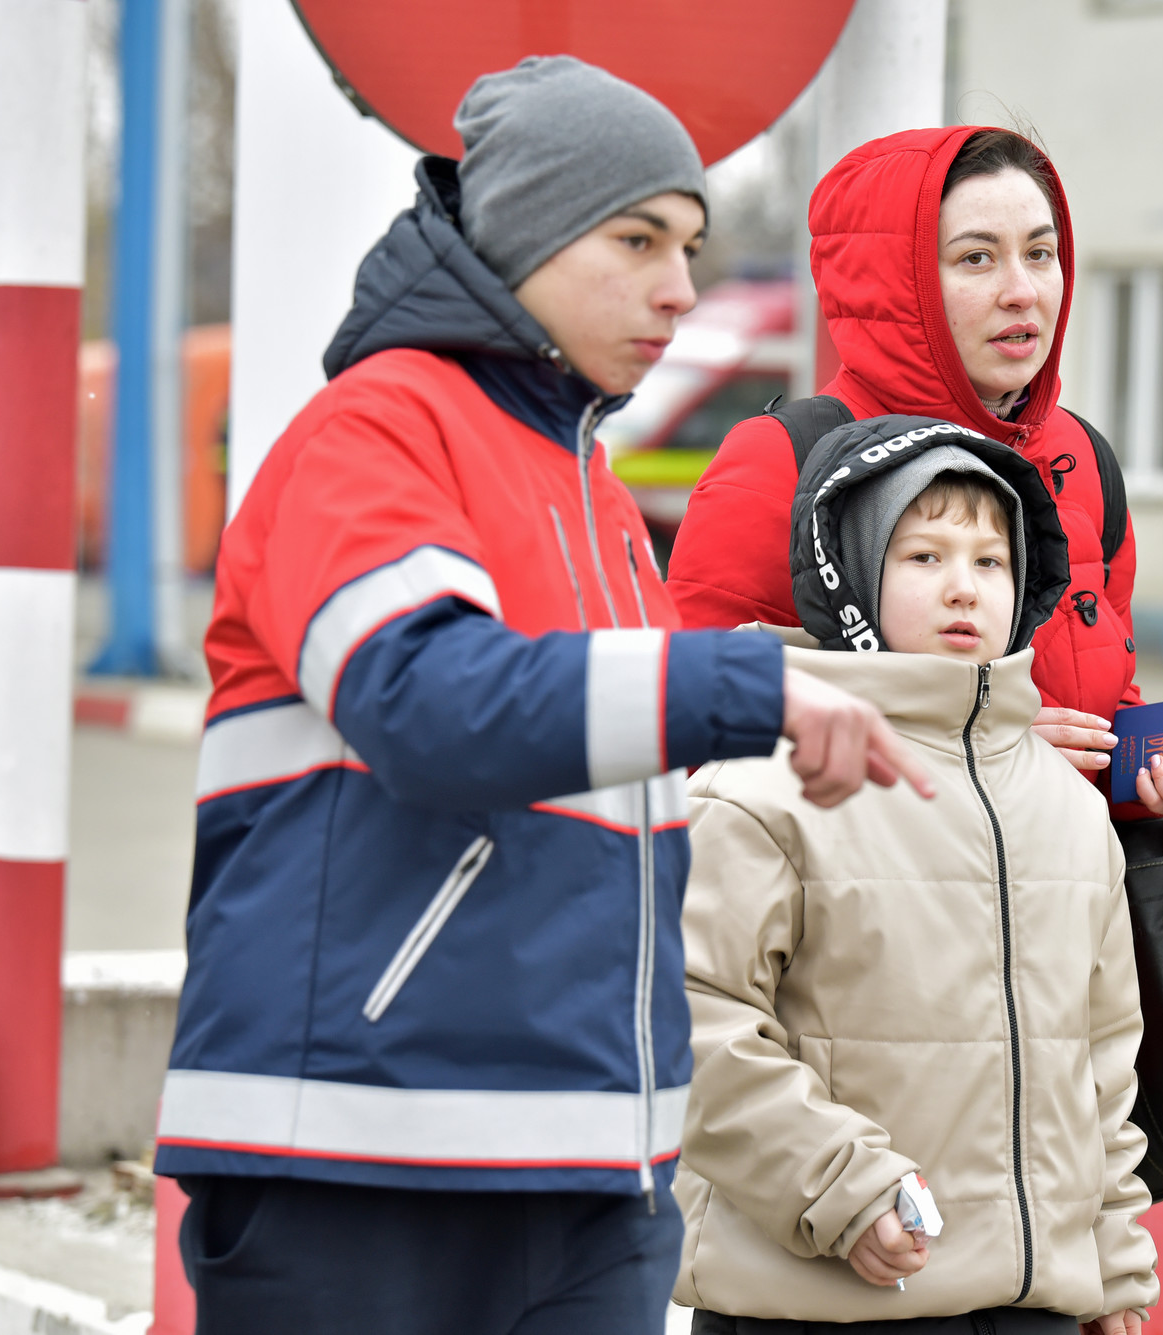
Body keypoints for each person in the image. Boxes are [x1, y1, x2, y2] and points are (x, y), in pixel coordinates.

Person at [153, 57, 932, 1335]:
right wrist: (741, 681)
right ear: (518, 231)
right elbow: (424, 701)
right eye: (635, 238)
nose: (679, 287)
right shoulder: (373, 430)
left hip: (591, 1182)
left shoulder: (602, 500)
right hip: (353, 1164)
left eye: (688, 243)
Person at [672, 414, 1157, 1335]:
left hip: (1030, 1305)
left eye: (990, 561)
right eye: (923, 556)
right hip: (824, 1295)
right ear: (855, 576)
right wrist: (842, 1188)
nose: (963, 588)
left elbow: (1101, 1062)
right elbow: (683, 1021)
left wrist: (1115, 1258)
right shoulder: (765, 782)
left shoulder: (1065, 807)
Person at [666, 126, 1163, 813]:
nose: (1023, 290)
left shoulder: (1084, 461)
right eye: (977, 258)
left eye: (1041, 252)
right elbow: (696, 746)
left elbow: (1088, 717)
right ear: (897, 285)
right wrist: (975, 751)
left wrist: (1146, 770)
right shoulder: (783, 460)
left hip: (1061, 911)